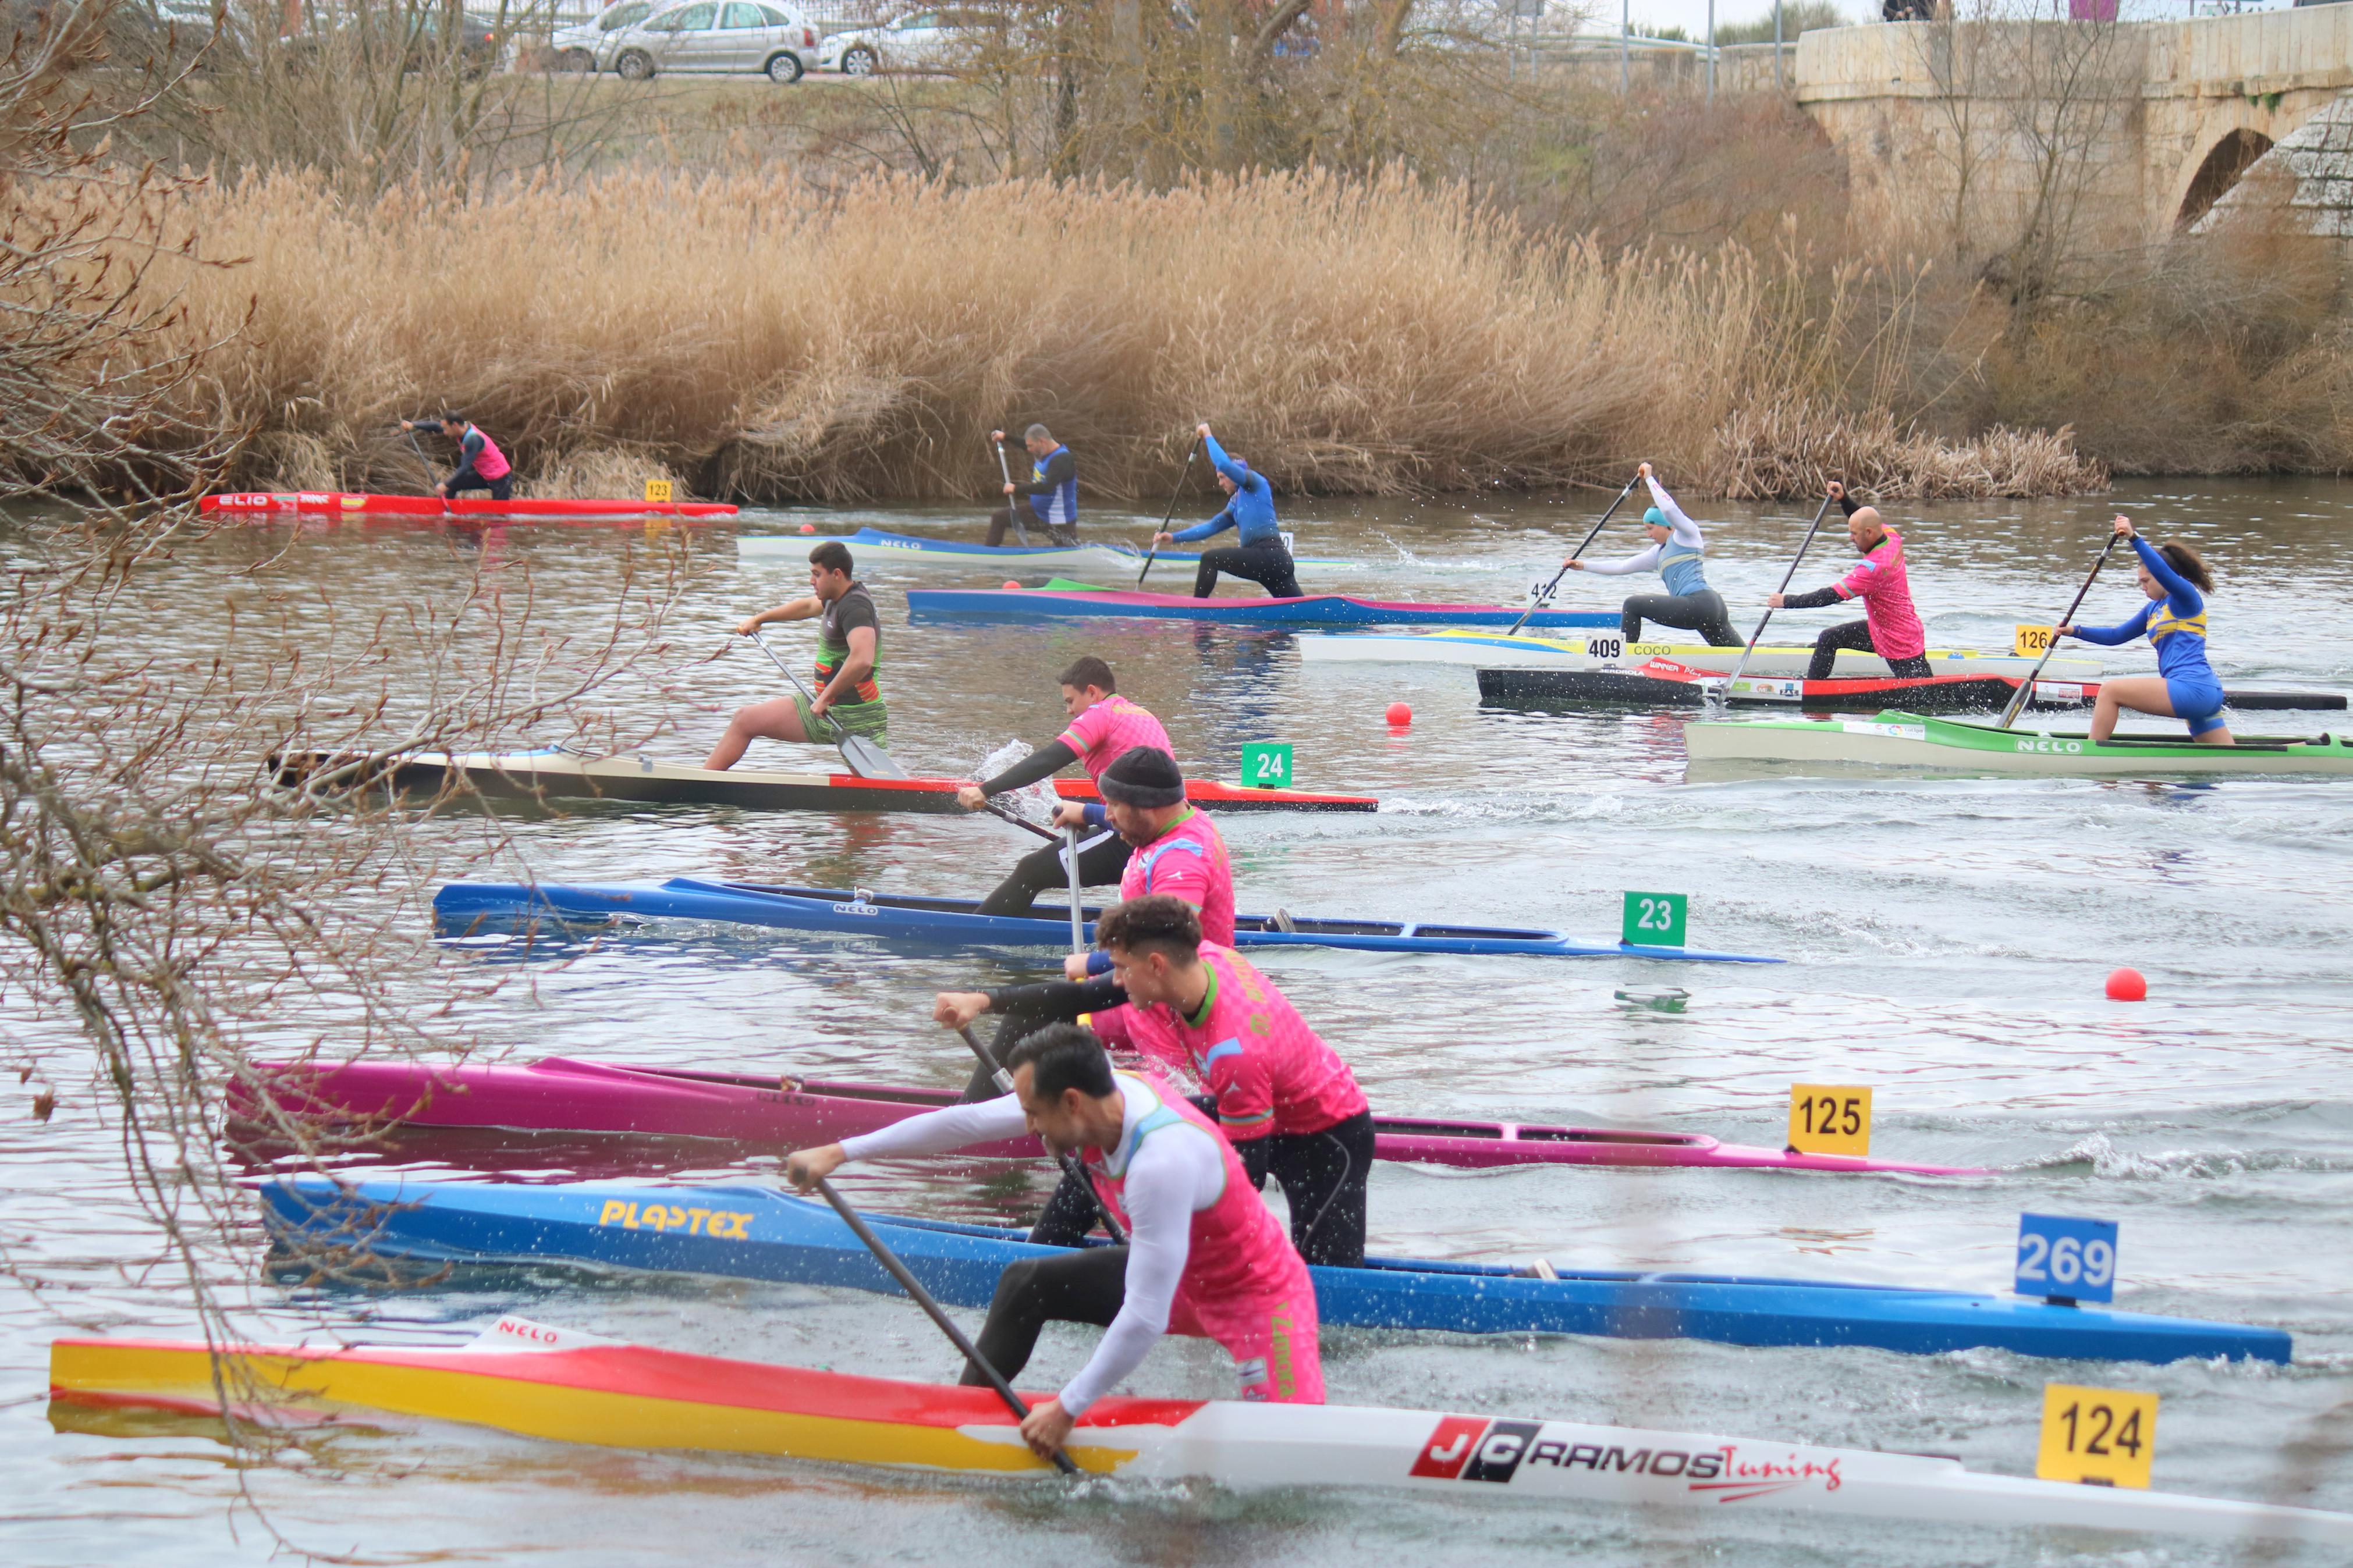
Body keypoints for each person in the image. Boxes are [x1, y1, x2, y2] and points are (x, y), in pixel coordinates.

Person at [785, 1024, 1324, 1457]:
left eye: (1032, 1115)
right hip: (1177, 1275)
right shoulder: (1096, 1091)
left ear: (1070, 1103)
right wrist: (839, 1152)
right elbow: (966, 1123)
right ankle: (957, 1420)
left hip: (1256, 1298)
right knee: (1027, 1282)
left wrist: (1068, 1408)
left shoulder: (1161, 1161)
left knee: (1291, 1464)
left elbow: (1144, 1317)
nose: (1027, 1125)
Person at [941, 895, 1374, 1268]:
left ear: (1155, 965)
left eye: (1121, 968)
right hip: (1249, 1107)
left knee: (1332, 1295)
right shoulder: (1196, 962)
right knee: (1114, 1122)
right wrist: (983, 999)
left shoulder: (1235, 1050)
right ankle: (1044, 1252)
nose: (1114, 979)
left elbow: (1244, 1180)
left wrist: (1156, 1229)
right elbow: (1080, 995)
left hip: (1326, 1140)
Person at [960, 658, 1174, 917]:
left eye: (1071, 701)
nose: (1069, 711)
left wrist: (986, 790)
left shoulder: (1100, 714)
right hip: (1167, 837)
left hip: (1133, 839)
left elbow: (1050, 759)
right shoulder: (1142, 715)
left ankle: (979, 939)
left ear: (1093, 692)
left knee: (1031, 871)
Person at [703, 541, 885, 768]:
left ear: (837, 574)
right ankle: (704, 780)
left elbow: (862, 659)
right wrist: (759, 620)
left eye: (817, 575)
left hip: (855, 716)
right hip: (823, 708)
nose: (811, 581)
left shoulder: (856, 607)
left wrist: (825, 698)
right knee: (745, 720)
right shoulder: (835, 598)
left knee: (872, 788)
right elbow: (806, 608)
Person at [2054, 515, 2233, 745]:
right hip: (2202, 694)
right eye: (2140, 582)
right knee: (2225, 762)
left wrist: (2133, 538)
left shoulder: (2186, 598)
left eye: (2147, 580)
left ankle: (2089, 753)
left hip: (2192, 689)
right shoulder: (2153, 610)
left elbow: (2163, 573)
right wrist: (2075, 630)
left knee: (2110, 691)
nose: (2143, 587)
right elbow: (2116, 636)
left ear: (2163, 576)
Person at [1767, 481, 1930, 681]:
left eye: (1854, 534)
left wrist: (1786, 601)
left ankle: (1812, 693)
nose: (1851, 538)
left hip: (1899, 641)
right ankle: (1813, 687)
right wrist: (1844, 500)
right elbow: (1864, 519)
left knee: (1922, 692)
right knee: (1829, 638)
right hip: (1880, 629)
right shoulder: (1891, 536)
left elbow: (1830, 596)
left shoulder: (1874, 568)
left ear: (1869, 533)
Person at [1563, 462, 1738, 646]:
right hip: (1710, 607)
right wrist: (1583, 565)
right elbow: (1622, 566)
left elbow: (1669, 510)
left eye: (1650, 528)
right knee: (1738, 658)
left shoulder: (1687, 535)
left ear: (1667, 525)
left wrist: (1648, 478)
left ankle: (1623, 659)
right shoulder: (1658, 553)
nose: (1648, 534)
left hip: (1700, 603)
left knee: (1632, 605)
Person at [1152, 424, 1301, 599]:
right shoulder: (1235, 504)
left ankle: (1197, 610)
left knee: (1209, 559)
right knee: (1297, 609)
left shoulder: (1255, 483)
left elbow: (1222, 462)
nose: (1220, 483)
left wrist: (1208, 435)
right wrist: (1174, 537)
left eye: (1222, 477)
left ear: (1234, 473)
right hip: (1273, 563)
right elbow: (1210, 528)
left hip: (1270, 557)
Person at [988, 424, 1078, 547]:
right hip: (1038, 513)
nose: (1028, 449)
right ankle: (989, 554)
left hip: (1059, 520)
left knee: (1069, 555)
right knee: (999, 518)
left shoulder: (1062, 459)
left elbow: (1047, 487)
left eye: (1030, 446)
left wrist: (1016, 488)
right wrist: (1005, 437)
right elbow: (1025, 444)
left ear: (1042, 441)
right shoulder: (1041, 450)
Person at [402, 414, 512, 502]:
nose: (444, 432)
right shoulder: (461, 427)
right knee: (452, 486)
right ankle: (448, 515)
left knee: (499, 516)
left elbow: (465, 467)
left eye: (446, 429)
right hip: (484, 475)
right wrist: (413, 425)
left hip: (501, 478)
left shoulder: (473, 440)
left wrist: (445, 484)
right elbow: (436, 426)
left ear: (454, 425)